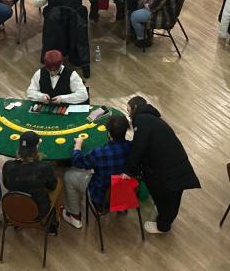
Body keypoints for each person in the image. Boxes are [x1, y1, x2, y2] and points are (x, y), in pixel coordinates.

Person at [123, 96, 200, 234]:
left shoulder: (142, 120)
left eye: (129, 110)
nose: (128, 114)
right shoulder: (152, 119)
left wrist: (128, 171)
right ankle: (164, 219)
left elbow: (139, 147)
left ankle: (163, 226)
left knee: (169, 199)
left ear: (135, 108)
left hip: (170, 171)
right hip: (174, 164)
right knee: (170, 198)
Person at [62, 115, 132, 228]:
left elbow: (77, 162)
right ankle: (121, 207)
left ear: (109, 133)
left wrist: (78, 146)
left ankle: (74, 216)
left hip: (102, 197)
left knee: (69, 175)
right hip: (126, 193)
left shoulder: (100, 152)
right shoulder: (133, 147)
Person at [2, 131, 60, 219]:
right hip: (39, 211)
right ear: (36, 147)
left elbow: (7, 185)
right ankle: (54, 220)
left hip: (13, 208)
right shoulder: (45, 168)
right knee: (60, 182)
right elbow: (52, 186)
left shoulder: (8, 166)